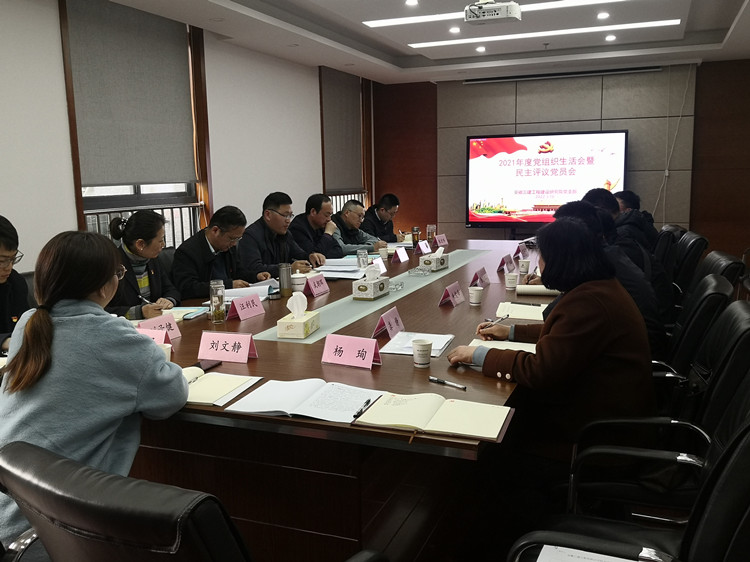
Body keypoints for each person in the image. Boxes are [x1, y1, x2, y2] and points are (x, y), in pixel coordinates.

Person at [0, 231, 188, 551]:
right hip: (54, 527)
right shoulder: (115, 335)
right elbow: (171, 396)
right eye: (119, 272)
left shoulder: (30, 322)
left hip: (12, 507)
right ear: (105, 285)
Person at [447, 217, 655, 460]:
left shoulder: (588, 302)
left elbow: (539, 371)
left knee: (496, 428)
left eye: (542, 258)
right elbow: (566, 336)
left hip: (594, 431)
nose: (539, 264)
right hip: (602, 408)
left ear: (560, 261)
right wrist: (510, 331)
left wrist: (478, 354)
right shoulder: (597, 287)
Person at [172, 205, 264, 300]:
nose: (234, 243)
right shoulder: (187, 252)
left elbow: (238, 273)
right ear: (215, 230)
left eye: (238, 239)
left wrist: (256, 276)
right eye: (232, 239)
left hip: (228, 299)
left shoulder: (229, 247)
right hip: (202, 303)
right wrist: (227, 285)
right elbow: (187, 288)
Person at [106, 211, 180, 319]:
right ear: (140, 244)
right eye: (160, 241)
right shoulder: (111, 265)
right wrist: (138, 312)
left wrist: (169, 300)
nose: (163, 245)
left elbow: (171, 289)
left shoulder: (153, 259)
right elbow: (101, 309)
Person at [239, 192, 326, 279]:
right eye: (285, 215)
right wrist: (288, 269)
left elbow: (298, 254)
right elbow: (255, 269)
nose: (288, 220)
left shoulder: (285, 233)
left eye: (290, 215)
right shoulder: (250, 236)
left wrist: (311, 256)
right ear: (268, 215)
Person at [0, 216, 29, 354]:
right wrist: (4, 341)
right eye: (2, 261)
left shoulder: (16, 283)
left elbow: (25, 325)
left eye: (13, 259)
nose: (9, 267)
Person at [288, 193, 344, 259]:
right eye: (326, 215)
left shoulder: (321, 225)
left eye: (330, 215)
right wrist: (328, 234)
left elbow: (339, 251)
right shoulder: (297, 228)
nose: (329, 219)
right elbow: (314, 257)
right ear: (313, 212)